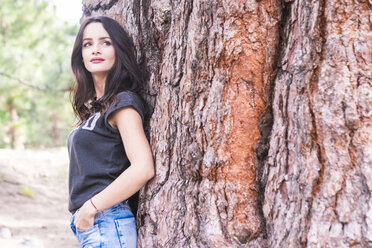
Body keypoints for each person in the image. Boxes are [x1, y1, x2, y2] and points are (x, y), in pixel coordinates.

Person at [67, 16, 154, 248]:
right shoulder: (96, 109)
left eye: (106, 42)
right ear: (81, 54)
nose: (96, 49)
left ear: (119, 49)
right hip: (97, 224)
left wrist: (91, 208)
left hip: (108, 218)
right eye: (88, 44)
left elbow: (143, 167)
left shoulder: (122, 103)